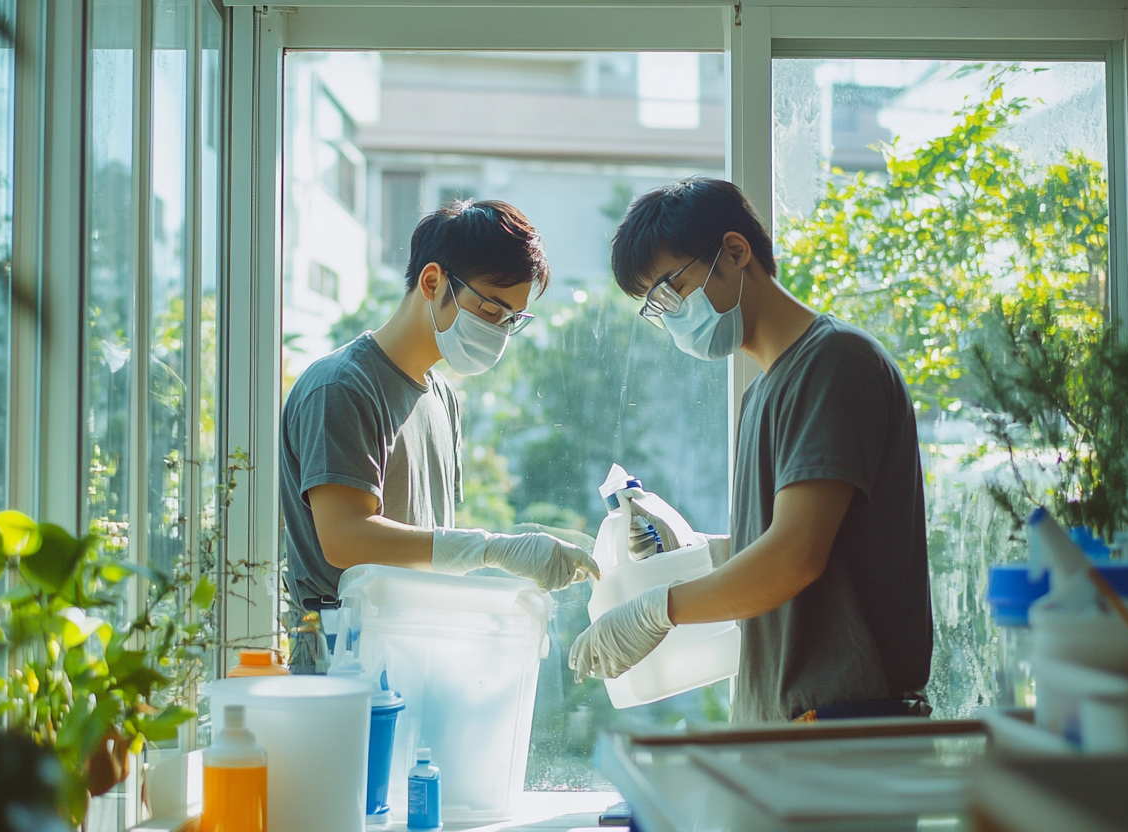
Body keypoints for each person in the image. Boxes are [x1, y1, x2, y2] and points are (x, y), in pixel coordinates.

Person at [569, 178, 933, 722]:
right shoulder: (763, 389)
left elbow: (795, 556)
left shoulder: (835, 363)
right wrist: (697, 552)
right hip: (787, 724)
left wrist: (657, 609)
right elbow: (794, 540)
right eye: (653, 306)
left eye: (670, 290)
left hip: (846, 725)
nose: (667, 315)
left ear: (735, 252)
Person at [280, 199, 599, 636]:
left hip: (417, 649)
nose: (499, 332)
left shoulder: (443, 397)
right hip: (343, 665)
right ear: (433, 281)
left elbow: (429, 547)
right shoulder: (341, 387)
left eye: (512, 319)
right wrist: (491, 549)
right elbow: (344, 538)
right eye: (491, 310)